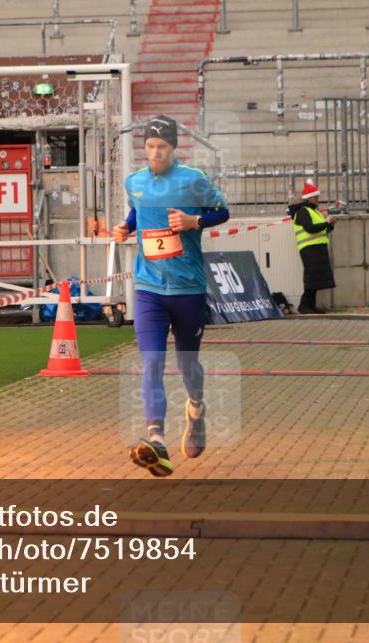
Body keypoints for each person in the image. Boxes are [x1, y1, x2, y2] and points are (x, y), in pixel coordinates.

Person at [112, 115, 230, 477]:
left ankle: (196, 409)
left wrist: (196, 223)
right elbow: (138, 211)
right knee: (150, 362)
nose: (155, 153)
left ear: (174, 148)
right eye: (149, 147)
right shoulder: (135, 182)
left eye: (161, 147)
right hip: (149, 288)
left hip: (188, 288)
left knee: (187, 366)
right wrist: (126, 227)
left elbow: (222, 212)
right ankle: (157, 439)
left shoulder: (193, 181)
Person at [288, 179, 337, 314]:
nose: (318, 199)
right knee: (311, 277)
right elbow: (310, 228)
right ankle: (305, 306)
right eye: (316, 197)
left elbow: (322, 230)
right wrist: (326, 222)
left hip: (317, 248)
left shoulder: (314, 211)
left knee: (316, 278)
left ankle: (310, 306)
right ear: (310, 198)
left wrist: (330, 225)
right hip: (309, 248)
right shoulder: (303, 211)